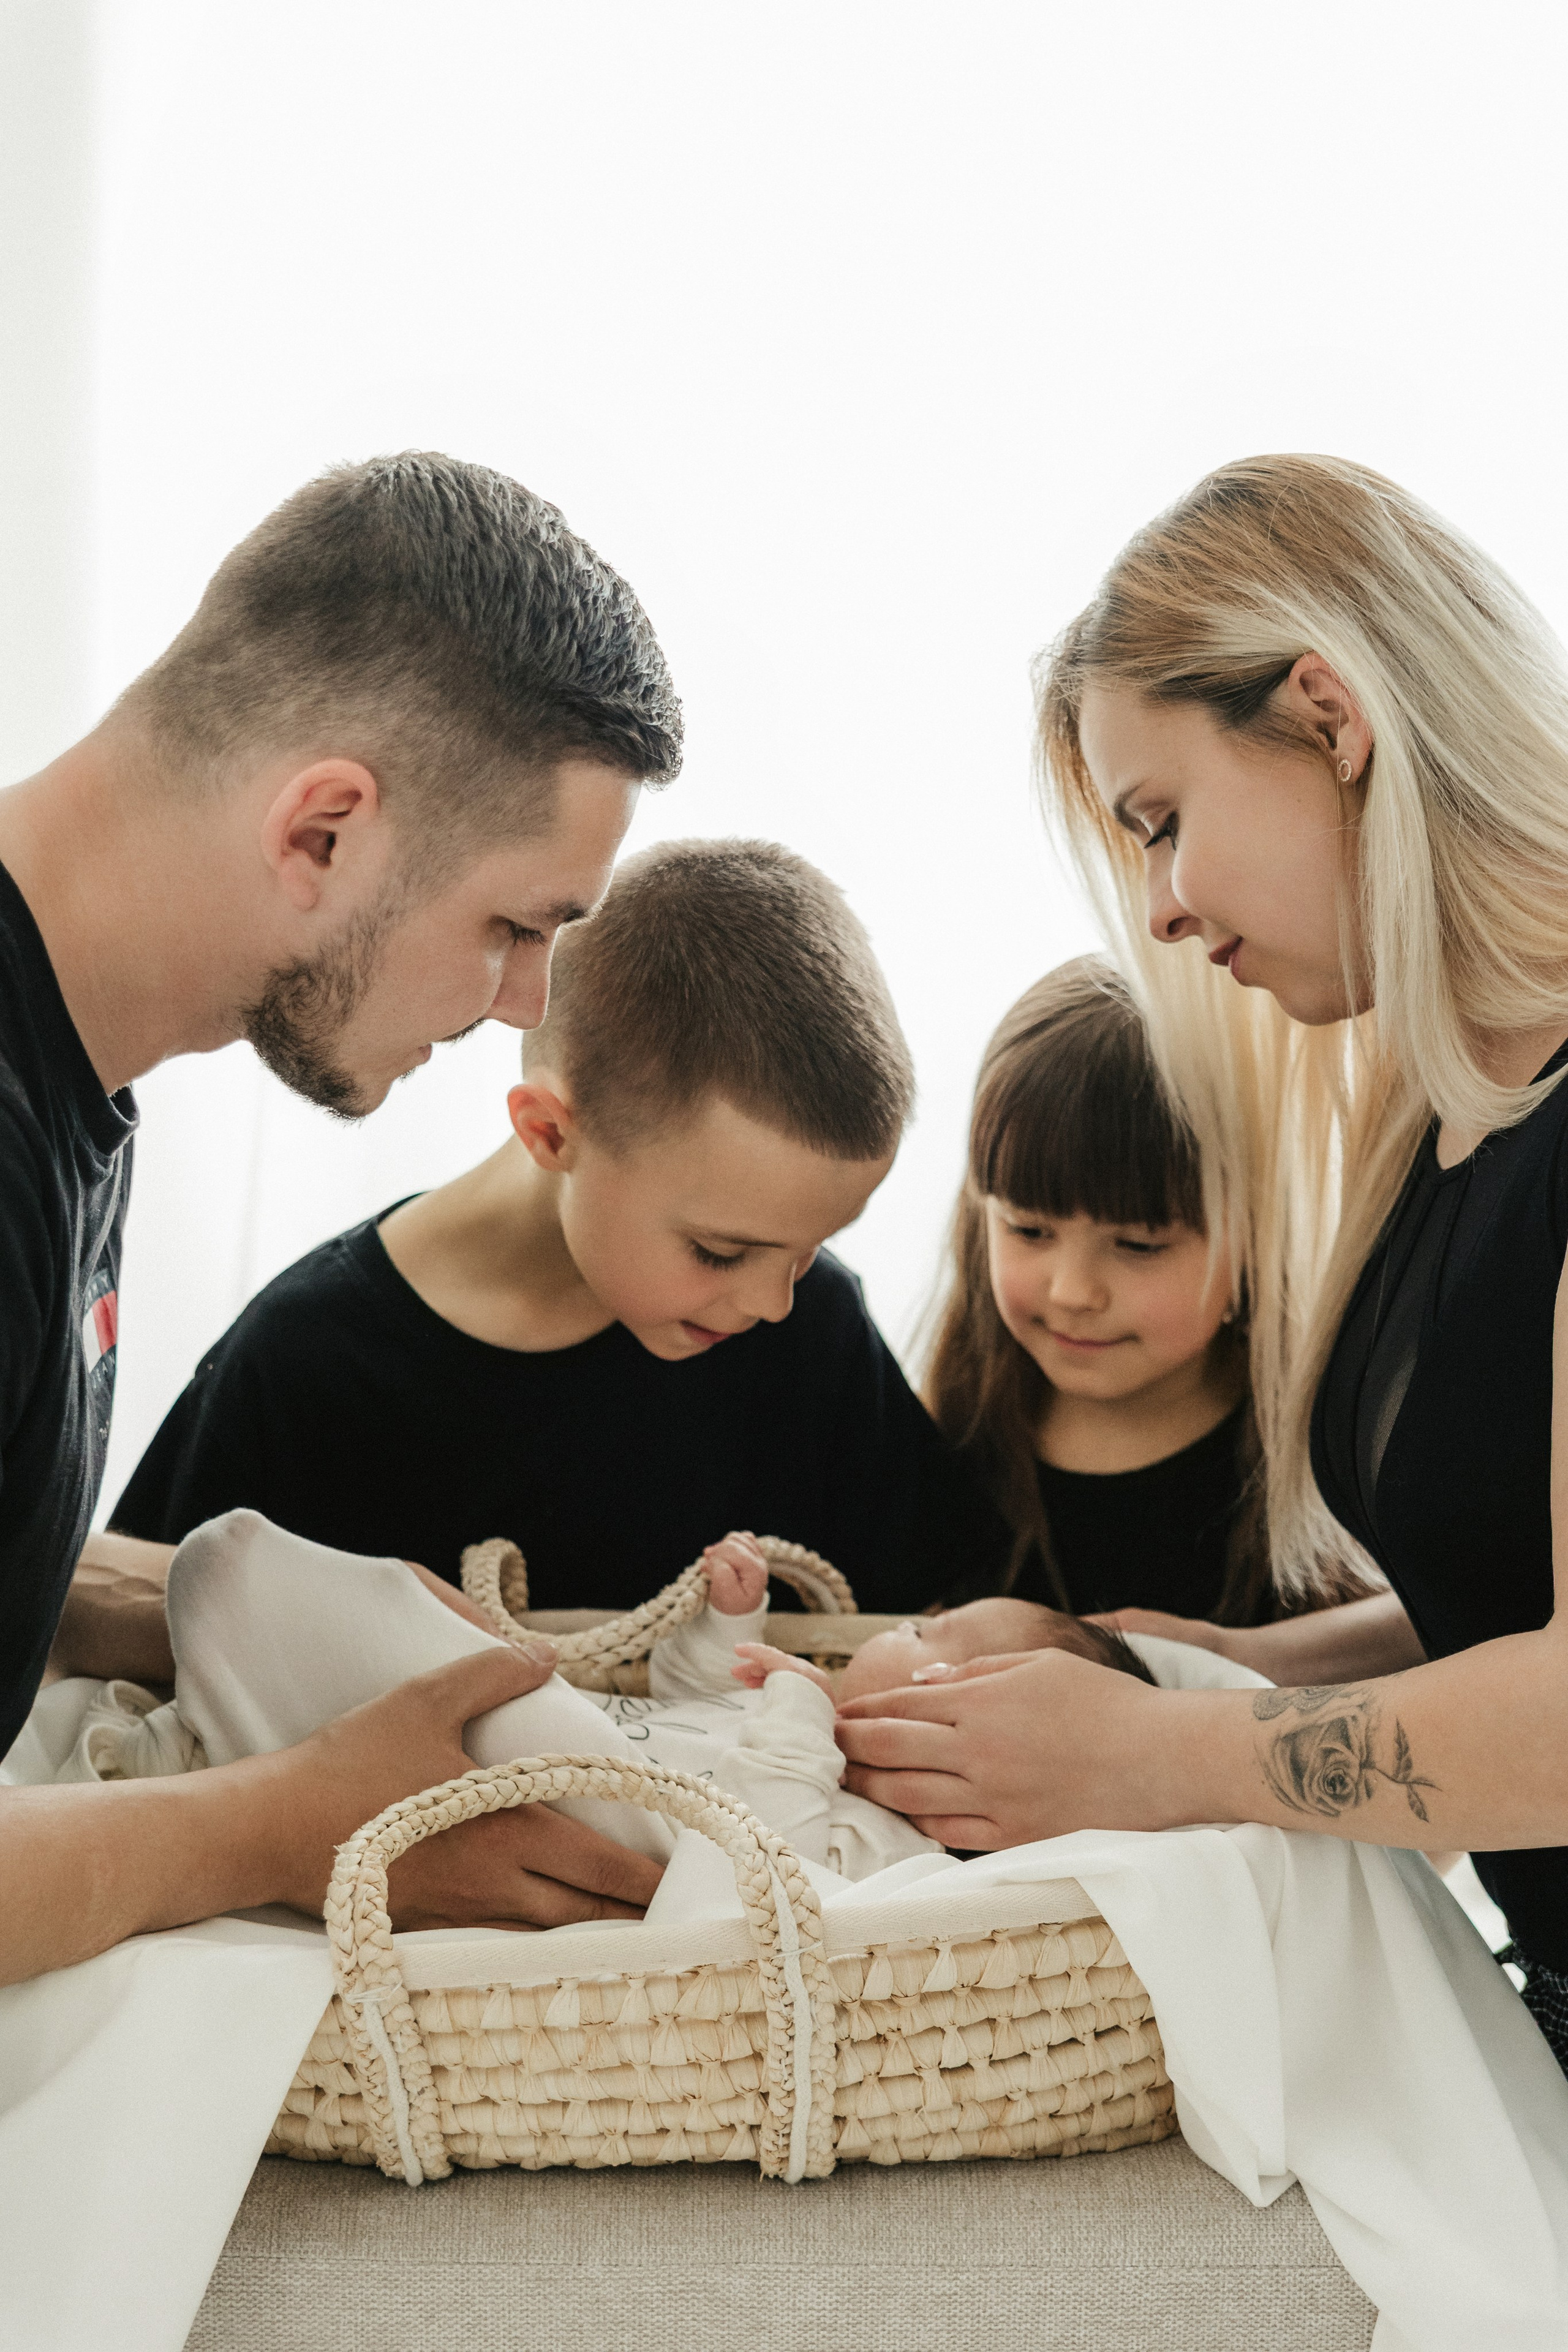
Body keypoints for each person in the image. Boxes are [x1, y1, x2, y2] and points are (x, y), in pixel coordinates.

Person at [835, 454, 1568, 2077]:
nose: (1159, 910)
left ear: (1329, 715)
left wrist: (1167, 1747)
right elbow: (1491, 1606)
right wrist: (1155, 1663)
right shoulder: (1448, 1111)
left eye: (1163, 824)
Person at [0, 450, 686, 1985]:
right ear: (322, 830)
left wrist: (284, 1614)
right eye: (516, 926)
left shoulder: (60, 1061)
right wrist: (295, 1820)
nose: (526, 1003)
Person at [110, 840, 1011, 1610]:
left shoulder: (809, 1329)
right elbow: (138, 1665)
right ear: (549, 1131)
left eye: (810, 1249)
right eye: (722, 1252)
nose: (774, 1300)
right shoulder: (308, 1366)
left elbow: (941, 1609)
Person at [924, 954, 1292, 1624]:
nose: (1071, 1291)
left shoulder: (1308, 1454)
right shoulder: (954, 1427)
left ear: (1256, 1237)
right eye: (1029, 1230)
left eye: (1138, 1245)